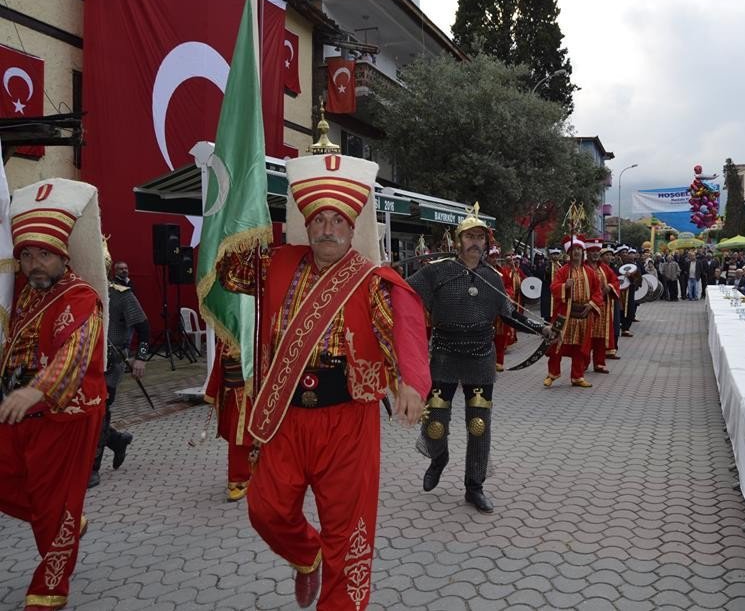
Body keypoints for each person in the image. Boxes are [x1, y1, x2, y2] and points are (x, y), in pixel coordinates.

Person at [218, 152, 430, 609]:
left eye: (338, 220)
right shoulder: (278, 263)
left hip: (348, 421)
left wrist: (410, 381)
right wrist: (236, 201)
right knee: (265, 510)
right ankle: (305, 554)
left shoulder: (372, 279)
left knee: (350, 536)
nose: (328, 228)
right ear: (306, 225)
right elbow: (227, 273)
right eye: (318, 219)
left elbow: (401, 325)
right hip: (286, 417)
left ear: (353, 229)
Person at [0, 179, 109, 611]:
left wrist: (37, 389)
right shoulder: (23, 296)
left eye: (43, 254)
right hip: (17, 409)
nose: (34, 263)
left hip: (67, 413)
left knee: (55, 504)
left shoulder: (81, 297)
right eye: (26, 254)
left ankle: (51, 584)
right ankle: (65, 519)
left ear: (63, 255)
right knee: (18, 487)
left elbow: (75, 353)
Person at [407, 208, 551, 515]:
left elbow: (510, 314)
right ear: (459, 240)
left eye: (480, 237)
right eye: (469, 236)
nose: (475, 242)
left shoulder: (492, 278)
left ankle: (474, 486)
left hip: (479, 358)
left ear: (486, 242)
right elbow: (406, 292)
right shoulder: (437, 270)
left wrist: (542, 328)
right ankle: (439, 457)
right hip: (444, 355)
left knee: (478, 425)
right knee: (434, 422)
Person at [90, 248, 149, 489]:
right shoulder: (84, 293)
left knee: (101, 410)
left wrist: (141, 358)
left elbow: (145, 328)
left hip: (112, 362)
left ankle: (92, 468)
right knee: (88, 411)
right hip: (86, 362)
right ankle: (117, 440)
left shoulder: (122, 296)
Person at [545, 235, 602, 387]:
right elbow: (553, 287)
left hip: (583, 313)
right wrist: (565, 286)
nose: (576, 252)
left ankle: (577, 376)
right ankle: (553, 374)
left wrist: (591, 304)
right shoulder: (563, 271)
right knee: (557, 344)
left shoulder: (590, 272)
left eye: (578, 249)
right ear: (568, 253)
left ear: (582, 252)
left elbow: (597, 291)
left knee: (580, 348)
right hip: (565, 314)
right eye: (573, 250)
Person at [204, 340, 254, 501]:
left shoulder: (254, 335)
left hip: (249, 395)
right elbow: (217, 369)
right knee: (233, 435)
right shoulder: (223, 338)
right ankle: (245, 474)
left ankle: (240, 480)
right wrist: (211, 393)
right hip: (229, 395)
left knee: (240, 439)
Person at [585, 241, 619, 373]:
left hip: (602, 308)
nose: (594, 254)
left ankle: (599, 363)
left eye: (596, 251)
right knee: (586, 338)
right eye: (591, 251)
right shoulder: (582, 267)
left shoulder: (604, 268)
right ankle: (583, 363)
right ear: (587, 253)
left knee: (599, 337)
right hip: (586, 308)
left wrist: (609, 287)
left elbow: (615, 281)